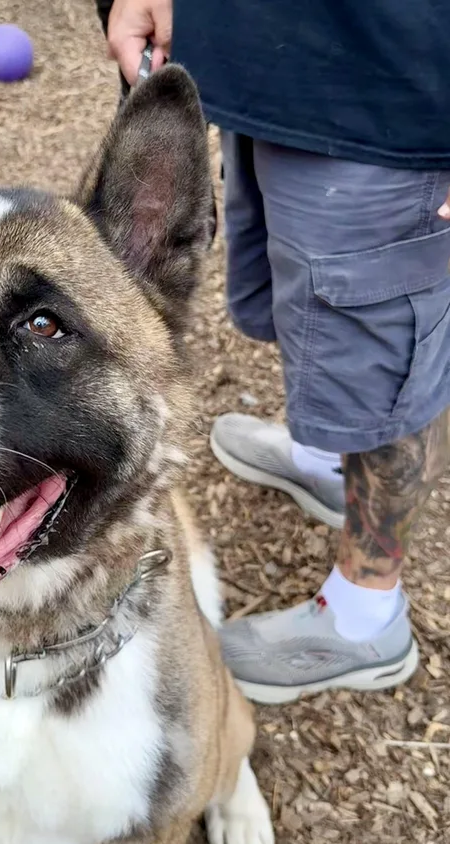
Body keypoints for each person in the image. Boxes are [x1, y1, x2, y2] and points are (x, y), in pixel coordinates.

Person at [99, 0, 450, 704]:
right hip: (264, 69)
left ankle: (366, 614)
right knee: (315, 302)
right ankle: (325, 463)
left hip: (399, 92)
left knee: (381, 350)